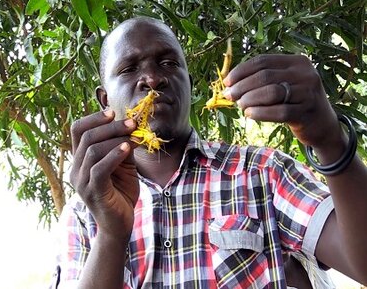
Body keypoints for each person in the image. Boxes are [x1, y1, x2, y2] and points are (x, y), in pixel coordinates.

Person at [52, 17, 367, 288]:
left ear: (188, 83)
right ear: (105, 100)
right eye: (129, 68)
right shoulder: (83, 214)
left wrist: (330, 142)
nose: (152, 78)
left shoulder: (263, 172)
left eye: (168, 62)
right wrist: (110, 233)